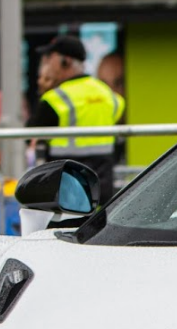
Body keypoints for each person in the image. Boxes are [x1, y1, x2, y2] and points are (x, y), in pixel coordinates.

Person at [29, 34, 127, 204]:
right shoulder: (109, 95)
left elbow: (30, 133)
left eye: (49, 59)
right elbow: (117, 114)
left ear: (64, 62)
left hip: (67, 184)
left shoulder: (55, 98)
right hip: (102, 185)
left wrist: (42, 91)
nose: (45, 64)